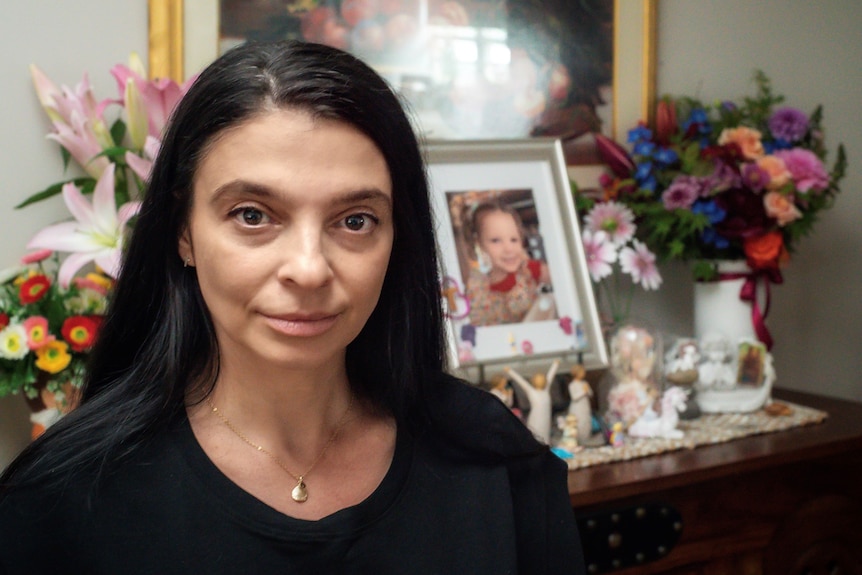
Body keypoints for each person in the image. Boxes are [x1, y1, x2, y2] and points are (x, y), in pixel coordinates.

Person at [0, 41, 585, 574]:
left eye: (355, 221)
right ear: (184, 232)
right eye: (253, 215)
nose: (308, 268)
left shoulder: (494, 460)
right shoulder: (61, 500)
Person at [466, 201, 556, 327]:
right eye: (496, 240)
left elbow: (564, 278)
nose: (508, 248)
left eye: (514, 239)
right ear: (480, 243)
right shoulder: (476, 289)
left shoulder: (530, 270)